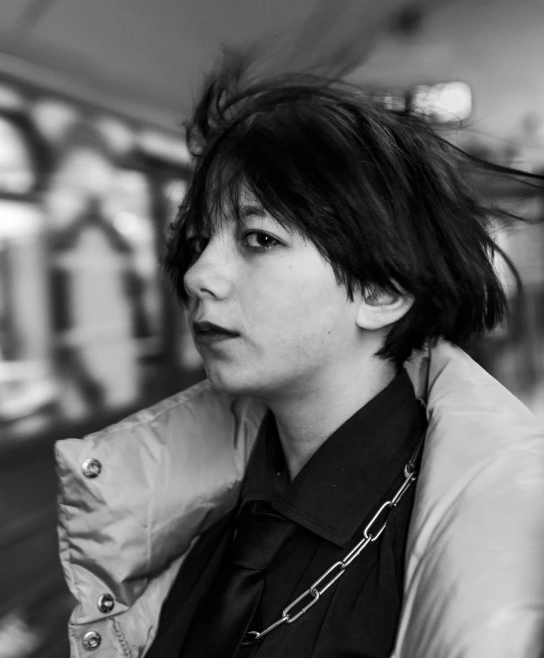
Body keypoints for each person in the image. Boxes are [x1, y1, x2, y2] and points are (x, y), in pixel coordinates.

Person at [55, 61, 544, 658]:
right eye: (200, 241)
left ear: (381, 292)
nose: (199, 274)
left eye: (258, 239)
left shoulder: (483, 552)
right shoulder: (191, 514)